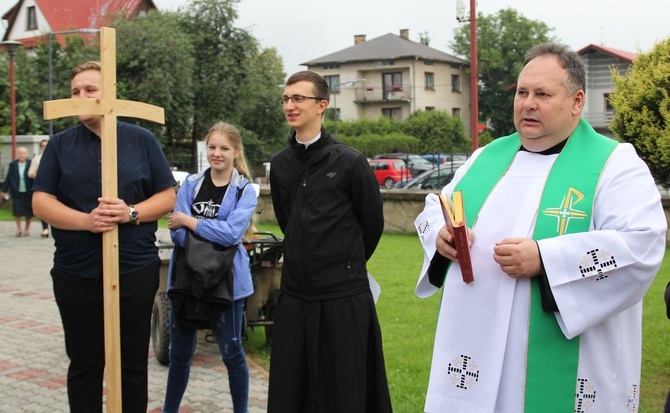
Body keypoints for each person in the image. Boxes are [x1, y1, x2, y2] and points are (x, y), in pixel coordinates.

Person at [413, 42, 667, 412]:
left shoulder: (615, 165)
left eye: (543, 94)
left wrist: (545, 259)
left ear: (577, 101)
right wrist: (441, 234)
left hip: (564, 358)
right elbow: (439, 207)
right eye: (522, 92)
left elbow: (642, 245)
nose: (528, 103)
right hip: (478, 345)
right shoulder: (487, 157)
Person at [31, 61, 176, 413]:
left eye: (90, 90)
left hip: (132, 268)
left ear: (108, 93)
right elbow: (41, 200)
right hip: (76, 271)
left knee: (130, 364)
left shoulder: (141, 140)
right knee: (84, 363)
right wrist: (86, 221)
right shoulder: (61, 145)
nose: (82, 97)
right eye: (75, 91)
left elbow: (167, 196)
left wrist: (130, 213)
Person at [268, 70, 392, 412]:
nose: (290, 105)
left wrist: (344, 261)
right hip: (295, 293)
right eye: (286, 99)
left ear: (322, 105)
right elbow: (287, 221)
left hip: (342, 295)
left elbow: (372, 224)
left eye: (298, 98)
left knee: (345, 389)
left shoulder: (349, 162)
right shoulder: (279, 164)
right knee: (294, 389)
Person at [162, 121, 257, 413]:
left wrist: (192, 222)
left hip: (226, 281)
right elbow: (175, 235)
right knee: (179, 353)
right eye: (212, 147)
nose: (217, 153)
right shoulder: (190, 185)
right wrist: (207, 229)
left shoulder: (245, 191)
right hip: (187, 277)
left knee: (231, 352)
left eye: (224, 148)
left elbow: (232, 234)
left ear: (236, 151)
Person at [1, 147, 33, 237]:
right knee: (17, 211)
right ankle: (19, 229)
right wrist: (3, 190)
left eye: (23, 153)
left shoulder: (30, 163)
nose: (21, 155)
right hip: (16, 190)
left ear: (26, 155)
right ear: (17, 154)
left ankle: (27, 229)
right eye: (20, 153)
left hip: (28, 191)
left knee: (28, 211)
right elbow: (8, 177)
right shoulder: (13, 164)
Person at [28, 139, 50, 238]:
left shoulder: (58, 155)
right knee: (44, 207)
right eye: (43, 145)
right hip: (43, 185)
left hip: (59, 186)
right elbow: (30, 173)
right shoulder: (37, 158)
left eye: (47, 145)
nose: (45, 147)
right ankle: (45, 228)